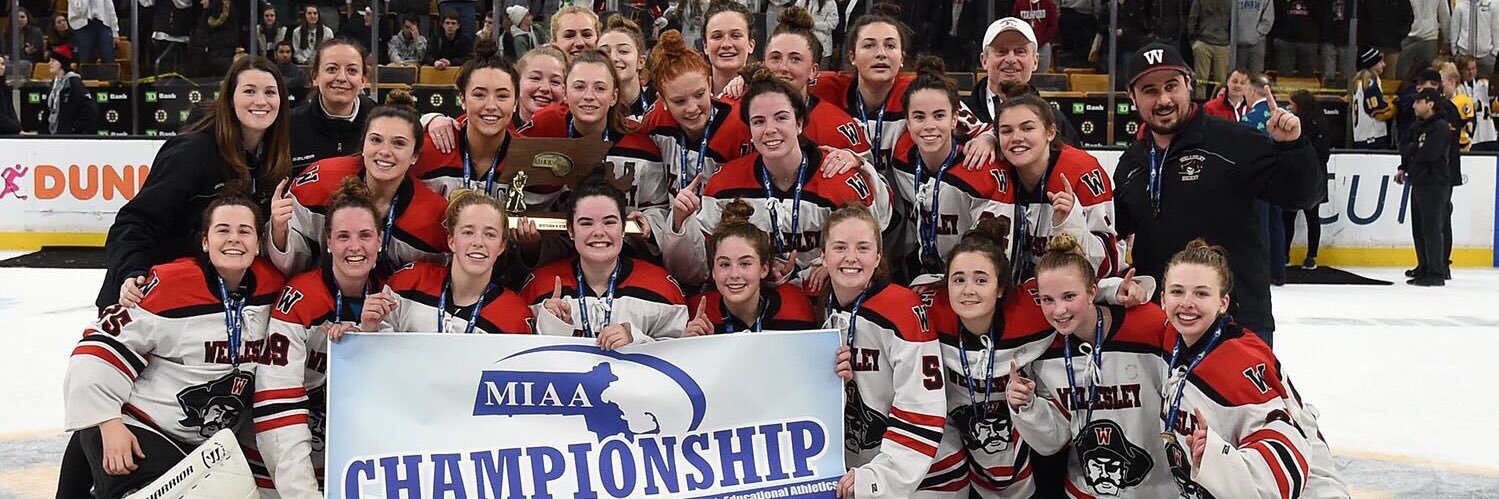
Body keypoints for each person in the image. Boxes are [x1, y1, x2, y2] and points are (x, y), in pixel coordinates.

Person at [59, 194, 285, 499]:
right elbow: (95, 351)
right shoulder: (171, 285)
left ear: (259, 243)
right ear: (205, 241)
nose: (234, 239)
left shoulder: (274, 290)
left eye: (244, 231)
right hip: (144, 428)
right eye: (223, 230)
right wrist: (108, 424)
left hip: (210, 444)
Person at [1112, 43, 1320, 345]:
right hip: (1162, 322)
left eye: (1172, 86)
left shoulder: (1235, 141)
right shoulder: (1133, 161)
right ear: (1132, 98)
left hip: (1236, 322)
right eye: (1149, 91)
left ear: (1189, 85)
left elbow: (1301, 197)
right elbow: (1116, 228)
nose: (1164, 100)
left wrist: (1293, 147)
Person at [666, 67, 891, 289]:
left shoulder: (838, 176)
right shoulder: (724, 184)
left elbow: (874, 244)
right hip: (751, 301)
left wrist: (829, 263)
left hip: (823, 301)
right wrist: (680, 223)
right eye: (759, 121)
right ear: (750, 131)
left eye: (781, 118)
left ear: (800, 123)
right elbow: (695, 272)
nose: (770, 129)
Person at [98, 56, 292, 311]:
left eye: (270, 92)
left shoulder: (273, 159)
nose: (260, 101)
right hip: (146, 296)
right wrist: (130, 272)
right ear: (230, 99)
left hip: (204, 299)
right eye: (249, 91)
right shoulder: (192, 151)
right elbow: (136, 221)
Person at [1155, 240, 1346, 498]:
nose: (1187, 303)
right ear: (1162, 298)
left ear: (1223, 303)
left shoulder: (1240, 363)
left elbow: (1289, 451)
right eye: (1177, 292)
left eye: (1201, 294)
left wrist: (1218, 458)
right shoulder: (1175, 336)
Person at [1006, 232, 1174, 497]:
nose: (1058, 310)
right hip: (1083, 491)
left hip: (1156, 490)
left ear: (1093, 292)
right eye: (1048, 300)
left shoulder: (1148, 327)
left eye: (1069, 296)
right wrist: (1026, 407)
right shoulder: (1042, 349)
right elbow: (1053, 441)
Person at [253, 178, 388, 498]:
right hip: (286, 467)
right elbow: (277, 403)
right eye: (343, 236)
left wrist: (371, 337)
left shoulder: (392, 299)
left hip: (352, 464)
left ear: (380, 241)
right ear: (327, 242)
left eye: (365, 236)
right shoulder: (300, 298)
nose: (355, 247)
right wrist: (302, 493)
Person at [915, 218, 1055, 496]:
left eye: (981, 280)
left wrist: (1115, 292)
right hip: (961, 448)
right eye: (958, 280)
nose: (968, 290)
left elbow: (1074, 294)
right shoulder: (928, 309)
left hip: (1029, 452)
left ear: (1001, 288)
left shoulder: (1031, 312)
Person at [816, 203, 945, 499]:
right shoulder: (825, 306)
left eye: (863, 248)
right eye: (839, 247)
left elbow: (923, 408)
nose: (851, 258)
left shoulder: (903, 308)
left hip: (921, 480)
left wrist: (880, 479)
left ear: (878, 256)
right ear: (822, 256)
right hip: (854, 476)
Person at [270, 91, 449, 276]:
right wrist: (279, 231)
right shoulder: (321, 181)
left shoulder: (433, 216)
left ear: (415, 156)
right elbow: (292, 265)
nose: (385, 151)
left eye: (398, 143)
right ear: (363, 144)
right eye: (376, 140)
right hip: (331, 296)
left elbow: (432, 284)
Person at [811, 7, 996, 177]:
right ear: (852, 56)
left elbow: (986, 130)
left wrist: (987, 139)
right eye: (869, 45)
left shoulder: (920, 92)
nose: (881, 53)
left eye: (890, 46)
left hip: (910, 206)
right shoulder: (828, 87)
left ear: (901, 58)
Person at [522, 179, 690, 346]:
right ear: (571, 230)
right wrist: (552, 326)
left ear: (623, 228)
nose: (599, 232)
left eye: (609, 222)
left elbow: (681, 356)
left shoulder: (661, 287)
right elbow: (518, 359)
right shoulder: (539, 286)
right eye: (586, 223)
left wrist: (636, 339)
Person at [887, 58, 1008, 280]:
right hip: (920, 273)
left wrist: (990, 136)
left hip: (968, 278)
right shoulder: (901, 159)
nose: (929, 125)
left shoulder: (977, 167)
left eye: (939, 116)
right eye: (919, 117)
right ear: (907, 122)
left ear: (955, 120)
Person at [993, 82, 1119, 284]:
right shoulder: (996, 171)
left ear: (1050, 132)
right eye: (1006, 131)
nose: (1016, 138)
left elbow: (1110, 264)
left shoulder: (1083, 171)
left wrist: (1070, 224)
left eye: (1027, 128)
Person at [363, 190, 537, 334]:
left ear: (501, 246)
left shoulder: (514, 315)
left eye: (490, 234)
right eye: (468, 232)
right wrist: (369, 330)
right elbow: (377, 358)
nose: (478, 242)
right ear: (452, 241)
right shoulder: (409, 283)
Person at [683, 199, 818, 335]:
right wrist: (694, 346)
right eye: (724, 264)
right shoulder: (698, 314)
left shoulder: (795, 309)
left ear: (764, 269)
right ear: (713, 271)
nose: (734, 274)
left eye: (745, 263)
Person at [760, 8, 874, 157]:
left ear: (813, 71)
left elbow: (872, 179)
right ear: (764, 63)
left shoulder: (838, 126)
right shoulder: (741, 116)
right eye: (775, 58)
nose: (783, 67)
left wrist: (860, 164)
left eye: (795, 59)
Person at [963, 18, 1080, 147]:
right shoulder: (959, 118)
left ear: (1035, 61)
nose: (1011, 59)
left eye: (1020, 51)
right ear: (984, 60)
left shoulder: (1055, 120)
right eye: (1001, 51)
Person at [290, 38, 375, 173]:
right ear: (315, 77)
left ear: (363, 79)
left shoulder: (381, 124)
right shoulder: (289, 125)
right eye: (332, 69)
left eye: (352, 71)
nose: (341, 77)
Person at [1398, 88, 1452, 287]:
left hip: (1434, 183)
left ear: (1430, 104)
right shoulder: (1419, 126)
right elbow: (1406, 147)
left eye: (1418, 102)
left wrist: (1412, 152)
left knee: (1431, 229)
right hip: (1419, 181)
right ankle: (1424, 267)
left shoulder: (1440, 127)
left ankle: (1436, 272)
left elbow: (1428, 153)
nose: (1414, 106)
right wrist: (1407, 161)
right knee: (1419, 229)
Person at [1283, 90, 1330, 270]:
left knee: (1312, 217)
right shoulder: (1293, 121)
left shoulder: (1319, 123)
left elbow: (1322, 154)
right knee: (1287, 216)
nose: (1289, 107)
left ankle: (1312, 255)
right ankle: (1284, 253)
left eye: (1292, 103)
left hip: (1313, 178)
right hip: (1294, 176)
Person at [600, 15, 656, 121]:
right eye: (604, 52)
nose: (613, 58)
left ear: (641, 61)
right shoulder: (589, 108)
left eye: (623, 51)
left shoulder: (657, 103)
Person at [703, 0, 755, 95]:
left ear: (751, 45)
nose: (726, 44)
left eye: (735, 36)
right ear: (705, 46)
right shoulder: (688, 95)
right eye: (717, 36)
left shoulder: (764, 94)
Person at [42, 46, 97, 135]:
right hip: (54, 133)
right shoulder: (54, 84)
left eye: (53, 61)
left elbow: (89, 108)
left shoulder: (74, 82)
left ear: (62, 63)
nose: (49, 63)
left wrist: (74, 128)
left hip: (68, 136)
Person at [511, 45, 566, 129]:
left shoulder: (574, 132)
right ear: (517, 83)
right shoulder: (499, 130)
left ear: (564, 91)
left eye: (555, 82)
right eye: (535, 78)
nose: (545, 88)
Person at [1350, 48, 1395, 149]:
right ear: (1372, 64)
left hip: (1360, 137)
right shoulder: (1370, 82)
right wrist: (1394, 107)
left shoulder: (1358, 81)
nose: (1384, 64)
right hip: (1372, 138)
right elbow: (1378, 112)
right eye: (1381, 62)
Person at [1397, 0, 1448, 80]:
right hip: (1426, 35)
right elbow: (1444, 15)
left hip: (1412, 34)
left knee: (1404, 77)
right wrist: (1447, 39)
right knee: (1427, 77)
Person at [1457, 55, 1497, 150]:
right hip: (1471, 134)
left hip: (1487, 131)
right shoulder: (1459, 88)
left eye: (1473, 68)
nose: (1471, 72)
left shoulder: (1484, 83)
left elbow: (1493, 104)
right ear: (1461, 70)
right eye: (1468, 69)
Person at [1271, 0, 1318, 77]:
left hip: (1309, 40)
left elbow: (1320, 13)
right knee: (1283, 77)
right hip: (1284, 39)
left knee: (1308, 78)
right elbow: (1275, 12)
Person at [1187, 0, 1231, 83]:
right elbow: (1192, 19)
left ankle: (1219, 96)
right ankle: (1199, 97)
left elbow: (1234, 22)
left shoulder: (1232, 2)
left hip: (1223, 44)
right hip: (1203, 43)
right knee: (1200, 81)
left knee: (1221, 82)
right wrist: (1194, 43)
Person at [1451, 3, 1497, 75]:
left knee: (1484, 84)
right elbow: (1454, 29)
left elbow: (1496, 29)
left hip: (1486, 57)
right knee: (1462, 85)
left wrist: (1494, 53)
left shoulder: (1492, 4)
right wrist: (1455, 52)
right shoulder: (1460, 5)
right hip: (1463, 55)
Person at [1232, 0, 1272, 75]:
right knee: (1237, 77)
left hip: (1257, 43)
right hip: (1235, 45)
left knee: (1256, 79)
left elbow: (1268, 19)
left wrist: (1257, 34)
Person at [0, 56, 19, 135]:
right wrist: (16, 128)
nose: (1, 67)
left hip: (8, 133)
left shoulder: (5, 88)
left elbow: (11, 110)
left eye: (2, 64)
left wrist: (19, 128)